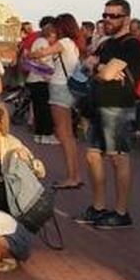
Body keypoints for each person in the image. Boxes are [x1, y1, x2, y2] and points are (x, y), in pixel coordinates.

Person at [77, 0, 140, 229]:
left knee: (118, 158)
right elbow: (87, 66)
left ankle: (121, 211)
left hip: (118, 107)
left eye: (114, 16)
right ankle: (98, 207)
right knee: (93, 155)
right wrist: (100, 68)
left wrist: (99, 68)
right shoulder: (106, 44)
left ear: (126, 18)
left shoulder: (132, 45)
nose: (108, 19)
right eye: (105, 15)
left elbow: (105, 73)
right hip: (98, 104)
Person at [40, 14, 87, 188]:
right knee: (69, 135)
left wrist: (32, 54)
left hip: (59, 89)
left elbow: (42, 53)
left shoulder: (64, 42)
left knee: (63, 134)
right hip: (67, 88)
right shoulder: (73, 44)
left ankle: (72, 176)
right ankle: (75, 175)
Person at [19, 16, 56, 143]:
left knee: (38, 108)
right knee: (44, 109)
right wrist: (50, 71)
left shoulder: (37, 41)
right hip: (40, 79)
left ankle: (39, 134)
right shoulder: (43, 43)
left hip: (34, 79)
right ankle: (46, 134)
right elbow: (42, 60)